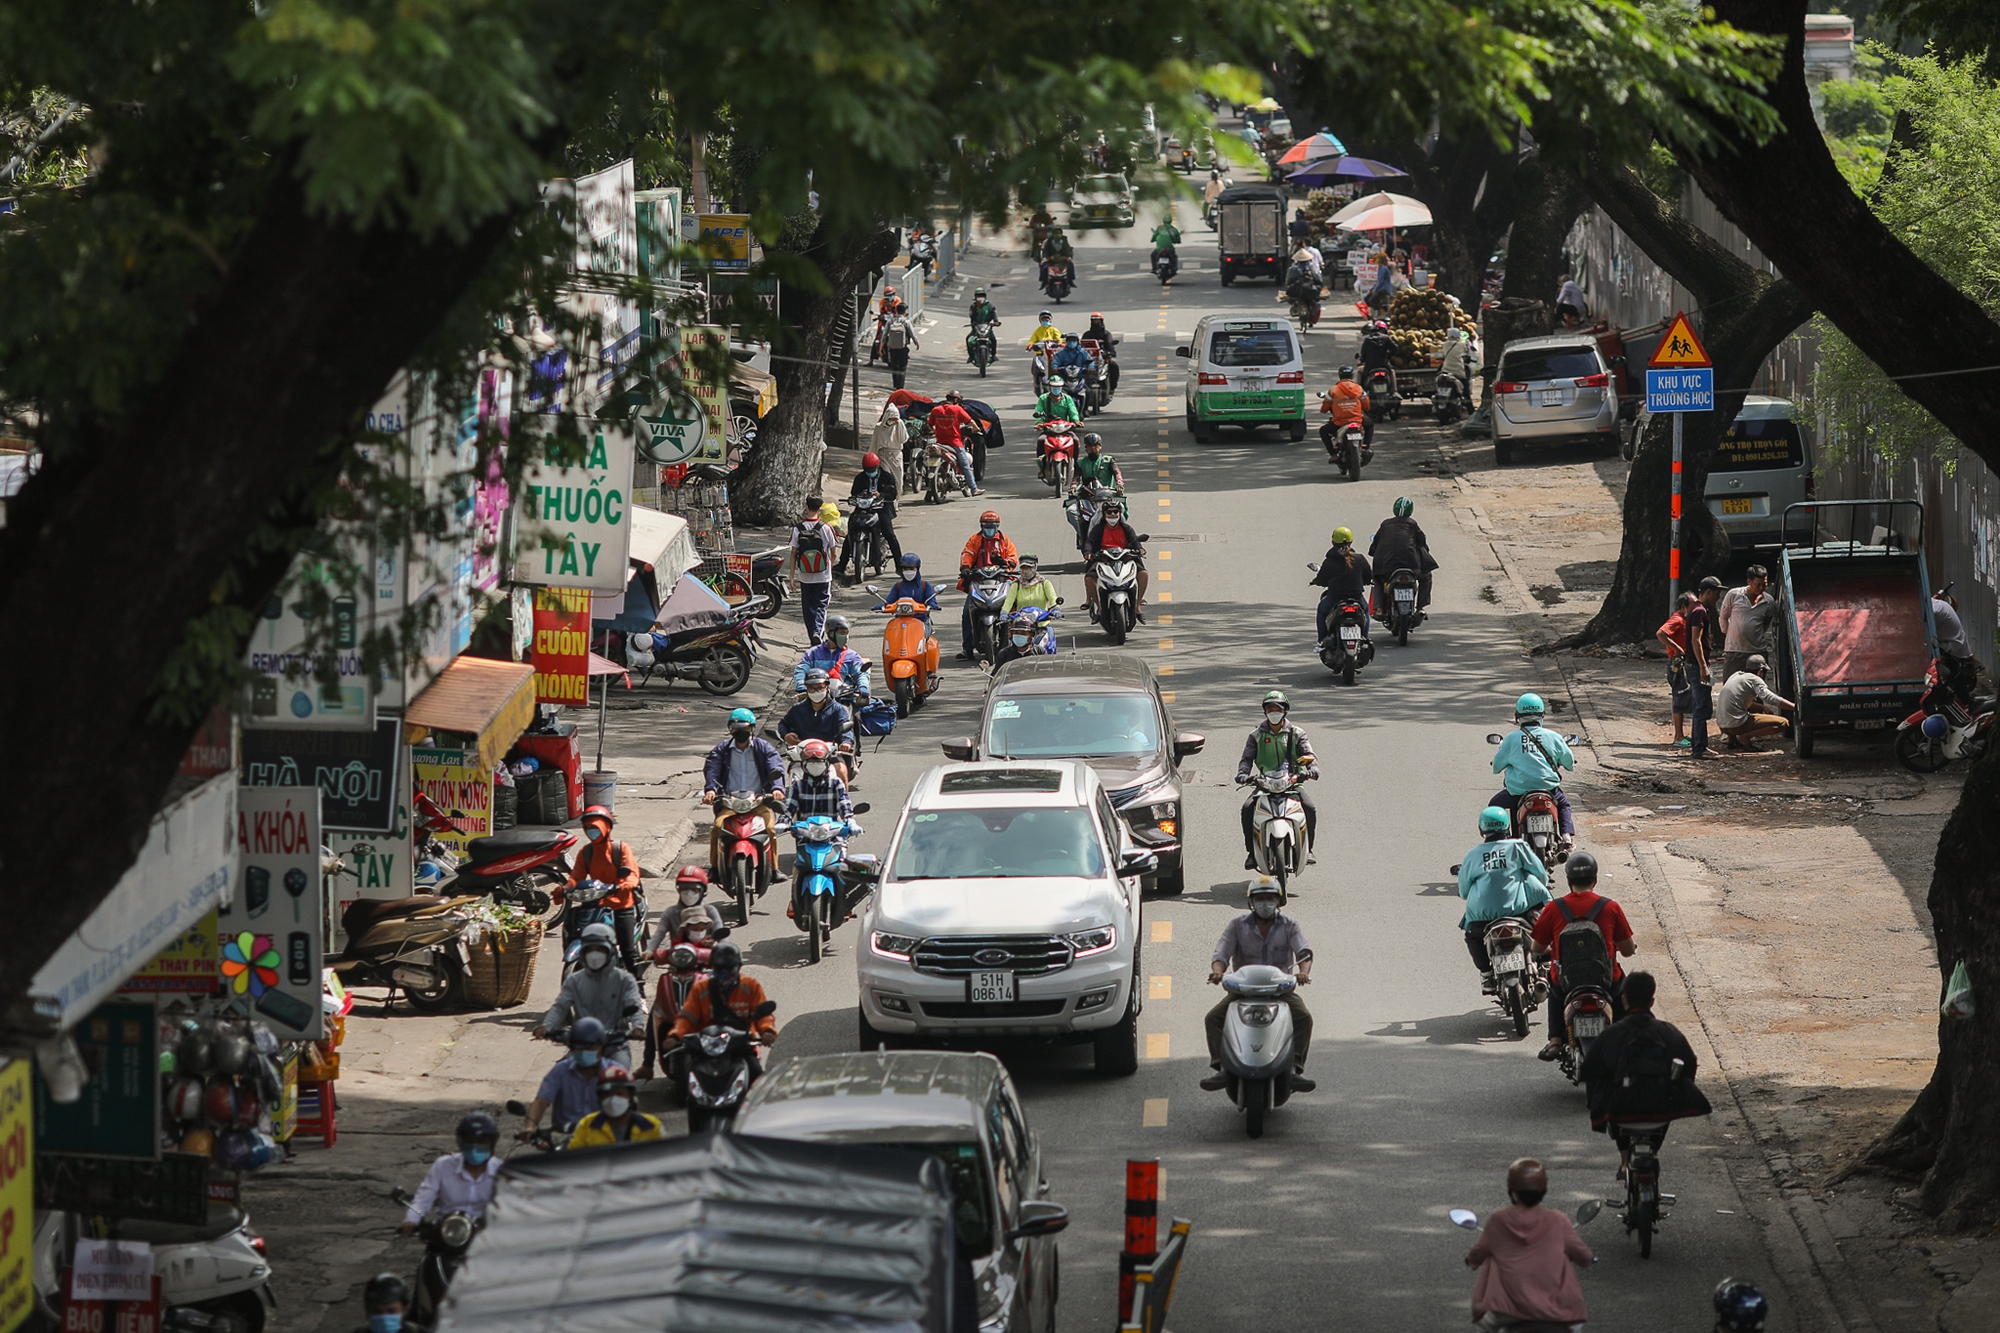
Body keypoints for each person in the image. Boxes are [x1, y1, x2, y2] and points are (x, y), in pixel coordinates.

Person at [1580, 971, 1713, 1175]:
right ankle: (1653, 1150)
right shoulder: (1668, 1032)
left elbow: (1589, 1070)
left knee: (1612, 1094)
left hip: (1620, 1113)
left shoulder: (1610, 1035)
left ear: (1623, 1000)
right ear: (1651, 1001)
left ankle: (1625, 1161)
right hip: (1662, 1111)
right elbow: (1690, 1064)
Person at [1199, 878, 1316, 1092]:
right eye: (1260, 899)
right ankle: (1222, 1068)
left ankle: (1294, 1070)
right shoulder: (1237, 925)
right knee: (1214, 1018)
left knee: (1303, 1018)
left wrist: (1303, 973)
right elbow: (1221, 953)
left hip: (1280, 992)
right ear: (1251, 902)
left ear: (1278, 901)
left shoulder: (1290, 926)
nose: (1265, 903)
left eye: (1269, 898)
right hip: (1243, 991)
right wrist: (1218, 971)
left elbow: (1304, 952)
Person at [1464, 1159, 1594, 1331]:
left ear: (1512, 1190)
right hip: (1555, 1309)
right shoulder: (1558, 1220)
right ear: (1544, 1190)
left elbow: (1478, 1252)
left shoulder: (1498, 1220)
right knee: (1576, 1325)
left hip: (1506, 1311)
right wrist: (1589, 1259)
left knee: (1484, 1324)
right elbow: (1582, 1255)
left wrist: (1471, 1260)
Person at [1533, 852, 1638, 1061]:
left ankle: (1555, 1041)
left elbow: (1537, 948)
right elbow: (1627, 950)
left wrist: (1555, 950)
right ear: (1595, 879)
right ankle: (1630, 1036)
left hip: (1566, 984)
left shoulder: (1554, 908)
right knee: (1626, 995)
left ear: (1568, 880)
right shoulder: (1611, 907)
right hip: (1607, 982)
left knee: (1554, 990)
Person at [1457, 806, 1553, 993]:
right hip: (1518, 911)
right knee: (1541, 928)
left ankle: (1486, 974)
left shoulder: (1473, 855)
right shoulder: (1518, 847)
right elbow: (1540, 874)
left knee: (1473, 937)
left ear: (1481, 829)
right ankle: (1544, 966)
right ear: (1508, 827)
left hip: (1482, 917)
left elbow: (1463, 891)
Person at [535, 921, 643, 1067]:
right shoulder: (574, 980)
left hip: (615, 1046)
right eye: (590, 949)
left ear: (610, 951)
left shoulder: (624, 979)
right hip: (582, 1044)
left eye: (600, 949)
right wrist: (546, 1027)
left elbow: (633, 1005)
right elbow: (560, 1007)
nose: (595, 955)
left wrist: (638, 1027)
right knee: (561, 1074)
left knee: (621, 1077)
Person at [667, 939, 778, 1080]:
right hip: (706, 1048)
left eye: (729, 967)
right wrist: (675, 1035)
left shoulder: (751, 986)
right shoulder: (701, 989)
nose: (725, 972)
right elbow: (687, 1017)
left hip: (741, 1047)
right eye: (720, 968)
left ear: (738, 967)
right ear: (712, 968)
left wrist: (767, 1031)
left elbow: (763, 1015)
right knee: (685, 1081)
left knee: (758, 1080)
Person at [1235, 690, 1317, 869]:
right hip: (1265, 783)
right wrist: (1243, 774)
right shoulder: (1256, 736)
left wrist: (1312, 769)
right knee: (1247, 808)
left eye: (1277, 708)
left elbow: (1309, 754)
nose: (1274, 712)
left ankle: (1308, 848)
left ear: (1285, 711)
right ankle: (1251, 853)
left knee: (1309, 808)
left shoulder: (1297, 733)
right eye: (1270, 708)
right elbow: (1247, 759)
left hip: (1293, 782)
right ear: (1265, 711)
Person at [702, 706, 786, 876]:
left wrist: (777, 788)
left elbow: (775, 766)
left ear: (752, 728)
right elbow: (712, 768)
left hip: (759, 801)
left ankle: (775, 869)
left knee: (770, 828)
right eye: (736, 729)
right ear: (730, 730)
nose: (740, 732)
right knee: (717, 827)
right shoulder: (722, 749)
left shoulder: (764, 748)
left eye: (745, 728)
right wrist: (711, 790)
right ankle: (715, 868)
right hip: (730, 802)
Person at [561, 803, 644, 972]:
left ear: (606, 827)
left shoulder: (620, 849)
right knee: (571, 925)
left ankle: (639, 990)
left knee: (628, 951)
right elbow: (576, 877)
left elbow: (632, 872)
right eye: (588, 827)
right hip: (595, 901)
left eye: (596, 827)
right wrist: (564, 889)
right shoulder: (586, 852)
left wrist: (626, 884)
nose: (592, 831)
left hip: (621, 903)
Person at [400, 1112, 502, 1235]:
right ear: (461, 1142)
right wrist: (412, 1219)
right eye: (470, 1141)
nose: (475, 1147)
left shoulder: (502, 1171)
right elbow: (424, 1198)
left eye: (482, 1142)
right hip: (447, 1233)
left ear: (492, 1144)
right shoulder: (443, 1166)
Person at [1489, 693, 1574, 839]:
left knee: (1494, 806)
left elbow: (1496, 767)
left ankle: (1503, 839)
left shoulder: (1511, 739)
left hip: (1518, 793)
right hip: (1549, 790)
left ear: (1518, 716)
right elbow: (1569, 762)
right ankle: (1566, 836)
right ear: (1542, 714)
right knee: (1564, 805)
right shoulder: (1553, 736)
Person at [518, 1017, 610, 1139]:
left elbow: (628, 1104)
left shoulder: (613, 1072)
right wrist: (530, 1126)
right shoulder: (561, 1071)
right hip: (564, 1138)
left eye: (590, 1047)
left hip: (603, 1139)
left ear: (601, 1047)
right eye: (579, 1047)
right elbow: (541, 1101)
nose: (584, 1052)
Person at [957, 511, 1019, 658]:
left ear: (997, 526)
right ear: (981, 526)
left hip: (1001, 580)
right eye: (986, 526)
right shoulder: (975, 539)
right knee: (967, 612)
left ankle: (1018, 643)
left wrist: (1004, 563)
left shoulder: (1005, 541)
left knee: (1015, 608)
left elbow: (1013, 558)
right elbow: (967, 554)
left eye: (992, 526)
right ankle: (968, 648)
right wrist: (966, 568)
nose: (989, 529)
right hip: (979, 581)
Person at [1082, 495, 1148, 623]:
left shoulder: (1126, 528)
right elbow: (1090, 541)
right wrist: (1088, 552)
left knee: (1144, 574)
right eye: (1109, 512)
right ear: (1104, 514)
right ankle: (1100, 608)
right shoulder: (1098, 529)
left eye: (1115, 511)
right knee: (1089, 578)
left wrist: (1140, 549)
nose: (1112, 514)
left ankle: (1138, 606)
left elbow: (1134, 541)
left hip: (1125, 558)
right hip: (1103, 559)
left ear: (1120, 513)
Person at [567, 1063, 666, 1147]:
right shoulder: (587, 1126)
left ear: (630, 1097)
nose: (613, 1099)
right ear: (600, 1098)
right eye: (607, 1094)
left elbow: (666, 1159)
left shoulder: (650, 1125)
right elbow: (573, 1162)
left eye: (619, 1093)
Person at [836, 452, 901, 580]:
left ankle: (900, 565)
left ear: (878, 467)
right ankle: (842, 565)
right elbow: (854, 493)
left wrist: (880, 495)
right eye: (868, 470)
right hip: (863, 508)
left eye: (872, 470)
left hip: (882, 508)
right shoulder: (860, 478)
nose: (870, 472)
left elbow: (892, 494)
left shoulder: (887, 477)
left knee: (889, 533)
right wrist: (861, 493)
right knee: (851, 533)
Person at [1368, 496, 1435, 616]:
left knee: (1377, 580)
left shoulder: (1385, 525)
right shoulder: (1413, 524)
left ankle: (1378, 608)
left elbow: (1376, 544)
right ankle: (1420, 607)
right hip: (1412, 567)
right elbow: (1422, 542)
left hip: (1386, 568)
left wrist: (1374, 552)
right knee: (1427, 577)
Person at [781, 668, 853, 779]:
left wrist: (846, 742)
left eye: (820, 688)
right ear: (806, 689)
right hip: (802, 755)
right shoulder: (797, 709)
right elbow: (783, 725)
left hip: (829, 754)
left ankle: (843, 797)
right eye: (811, 688)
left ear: (827, 687)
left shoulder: (837, 709)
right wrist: (786, 735)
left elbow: (845, 725)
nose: (816, 691)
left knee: (842, 770)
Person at [1715, 653, 1796, 750]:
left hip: (1723, 726)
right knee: (1783, 723)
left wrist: (1762, 708)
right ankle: (1745, 737)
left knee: (1735, 709)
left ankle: (1731, 739)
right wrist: (1794, 707)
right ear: (1761, 671)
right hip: (1737, 725)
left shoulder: (1736, 676)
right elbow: (1769, 697)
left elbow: (1738, 702)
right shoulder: (1754, 679)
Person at [1309, 526, 1372, 646]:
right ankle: (1365, 638)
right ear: (1351, 541)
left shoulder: (1329, 561)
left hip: (1334, 600)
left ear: (1333, 541)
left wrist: (1316, 581)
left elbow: (1322, 579)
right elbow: (1368, 576)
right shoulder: (1359, 559)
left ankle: (1321, 641)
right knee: (1366, 611)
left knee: (1322, 611)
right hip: (1357, 599)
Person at [788, 495, 840, 640]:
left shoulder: (797, 529)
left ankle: (813, 635)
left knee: (808, 607)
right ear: (821, 508)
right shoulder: (826, 528)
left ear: (806, 506)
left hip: (805, 576)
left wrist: (792, 577)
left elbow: (793, 554)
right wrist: (830, 568)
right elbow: (834, 553)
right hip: (823, 575)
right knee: (821, 606)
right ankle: (817, 632)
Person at [1717, 565, 1780, 681]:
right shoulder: (1734, 595)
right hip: (1734, 651)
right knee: (1731, 686)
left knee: (1756, 689)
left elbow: (1766, 623)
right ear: (1749, 582)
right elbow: (1723, 618)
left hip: (1757, 652)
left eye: (1764, 584)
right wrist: (1730, 634)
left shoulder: (1768, 601)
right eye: (1758, 584)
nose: (1761, 587)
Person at [645, 865, 725, 954]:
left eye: (694, 889)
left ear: (703, 891)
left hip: (707, 959)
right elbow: (659, 933)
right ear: (678, 890)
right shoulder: (670, 913)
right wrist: (650, 950)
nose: (688, 893)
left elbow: (720, 932)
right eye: (684, 889)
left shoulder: (710, 911)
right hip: (678, 959)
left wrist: (725, 947)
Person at [793, 614, 872, 700]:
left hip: (844, 698)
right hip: (817, 697)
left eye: (846, 633)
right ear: (830, 633)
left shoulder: (853, 656)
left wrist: (863, 686)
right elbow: (801, 670)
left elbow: (860, 674)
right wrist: (800, 684)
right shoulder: (812, 653)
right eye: (842, 633)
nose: (845, 637)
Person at [1658, 592, 1699, 748]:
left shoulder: (1685, 619)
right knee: (1679, 698)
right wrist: (1677, 649)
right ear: (1684, 607)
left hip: (1683, 663)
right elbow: (1661, 633)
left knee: (1683, 697)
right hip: (1677, 664)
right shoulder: (1677, 619)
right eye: (1692, 605)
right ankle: (1678, 737)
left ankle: (1681, 735)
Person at [1688, 577, 1723, 759]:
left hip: (1696, 664)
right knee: (1702, 707)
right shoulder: (1699, 611)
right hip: (1697, 666)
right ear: (1708, 592)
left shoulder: (1698, 609)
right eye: (1717, 593)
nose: (1718, 597)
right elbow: (1696, 640)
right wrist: (1703, 666)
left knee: (1701, 706)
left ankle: (1699, 745)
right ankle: (1699, 748)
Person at [1932, 586, 1982, 708]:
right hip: (1954, 644)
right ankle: (1965, 701)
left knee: (1953, 675)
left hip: (1951, 647)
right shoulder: (1937, 605)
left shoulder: (1935, 612)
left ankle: (1964, 702)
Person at [926, 390, 982, 495]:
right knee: (965, 465)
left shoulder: (936, 410)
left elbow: (929, 424)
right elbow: (970, 422)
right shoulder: (957, 409)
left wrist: (935, 431)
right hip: (955, 443)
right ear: (956, 400)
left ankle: (929, 491)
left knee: (931, 464)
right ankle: (974, 489)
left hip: (939, 443)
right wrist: (976, 429)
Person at [878, 552, 943, 631]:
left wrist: (932, 605)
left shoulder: (925, 585)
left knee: (924, 636)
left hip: (921, 621)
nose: (908, 571)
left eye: (912, 569)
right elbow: (889, 602)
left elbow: (932, 601)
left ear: (917, 569)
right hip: (899, 622)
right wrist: (882, 606)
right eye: (905, 569)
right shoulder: (898, 586)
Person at [1319, 365, 1371, 450]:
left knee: (1323, 431)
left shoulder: (1333, 390)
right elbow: (1367, 407)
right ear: (1351, 376)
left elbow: (1324, 409)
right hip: (1358, 421)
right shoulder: (1359, 388)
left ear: (1340, 376)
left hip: (1339, 423)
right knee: (1369, 425)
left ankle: (1333, 454)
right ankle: (1366, 446)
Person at [880, 300, 918, 389]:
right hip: (902, 347)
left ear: (896, 311)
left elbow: (884, 334)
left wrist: (881, 346)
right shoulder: (906, 322)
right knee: (902, 367)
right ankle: (900, 387)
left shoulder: (891, 321)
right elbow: (912, 334)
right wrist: (916, 343)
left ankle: (895, 385)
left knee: (894, 367)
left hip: (892, 347)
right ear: (905, 312)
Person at [1437, 325, 1472, 399]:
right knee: (1466, 391)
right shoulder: (1461, 345)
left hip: (1445, 371)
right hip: (1458, 371)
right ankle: (1470, 408)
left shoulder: (1445, 344)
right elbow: (1466, 355)